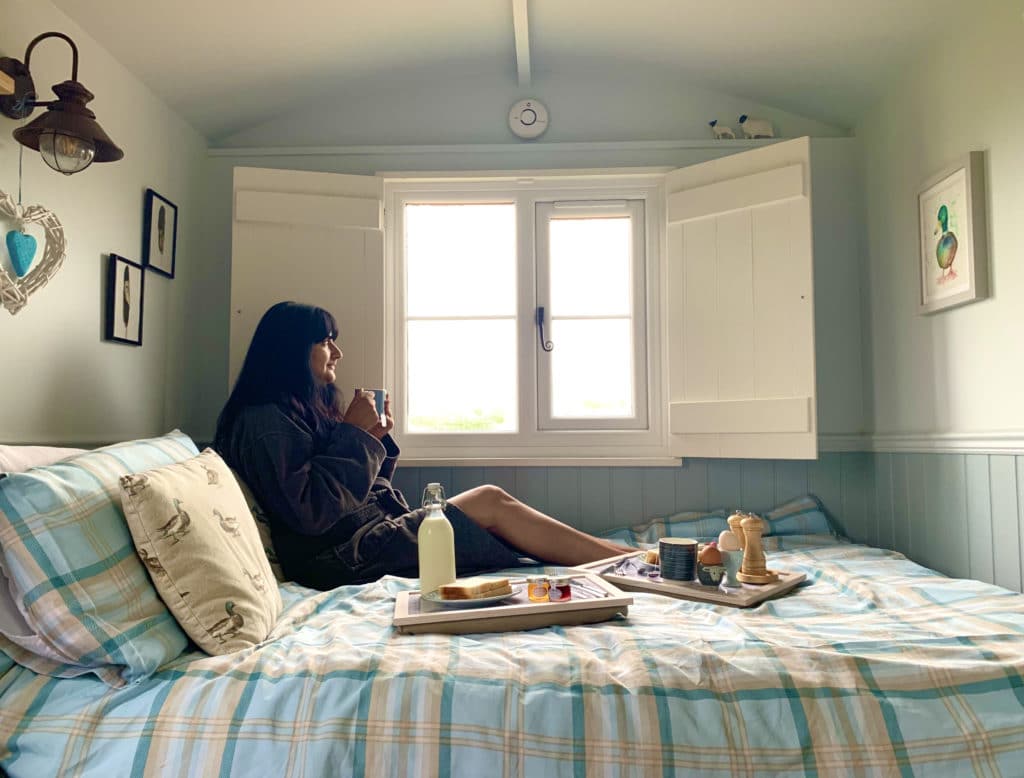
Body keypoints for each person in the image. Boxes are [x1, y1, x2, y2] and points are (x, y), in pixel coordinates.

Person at [214, 301, 632, 590]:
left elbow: (350, 491)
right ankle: (624, 562)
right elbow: (311, 512)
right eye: (325, 341)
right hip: (342, 558)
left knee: (493, 510)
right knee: (490, 502)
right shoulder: (264, 422)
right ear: (291, 351)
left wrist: (373, 438)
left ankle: (624, 558)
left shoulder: (299, 410)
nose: (337, 352)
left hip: (361, 540)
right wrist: (356, 436)